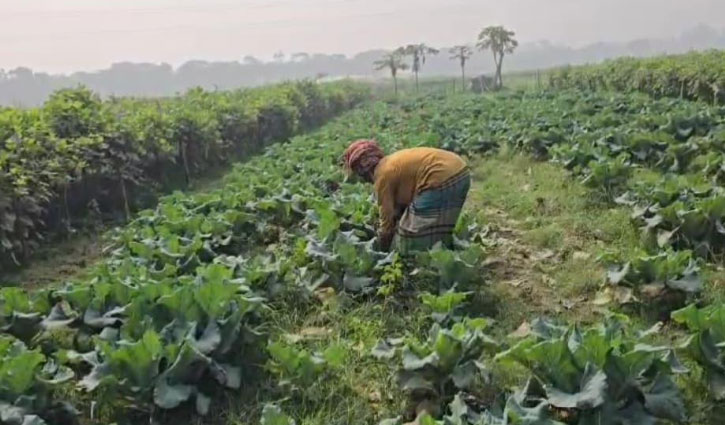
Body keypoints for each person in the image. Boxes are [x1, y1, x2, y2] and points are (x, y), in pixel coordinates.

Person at [342, 139, 470, 253]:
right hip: (460, 171)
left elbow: (387, 222)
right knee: (433, 223)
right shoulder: (390, 162)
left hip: (441, 178)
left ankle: (427, 263)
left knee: (407, 237)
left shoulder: (382, 176)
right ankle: (445, 248)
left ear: (363, 170)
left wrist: (384, 247)